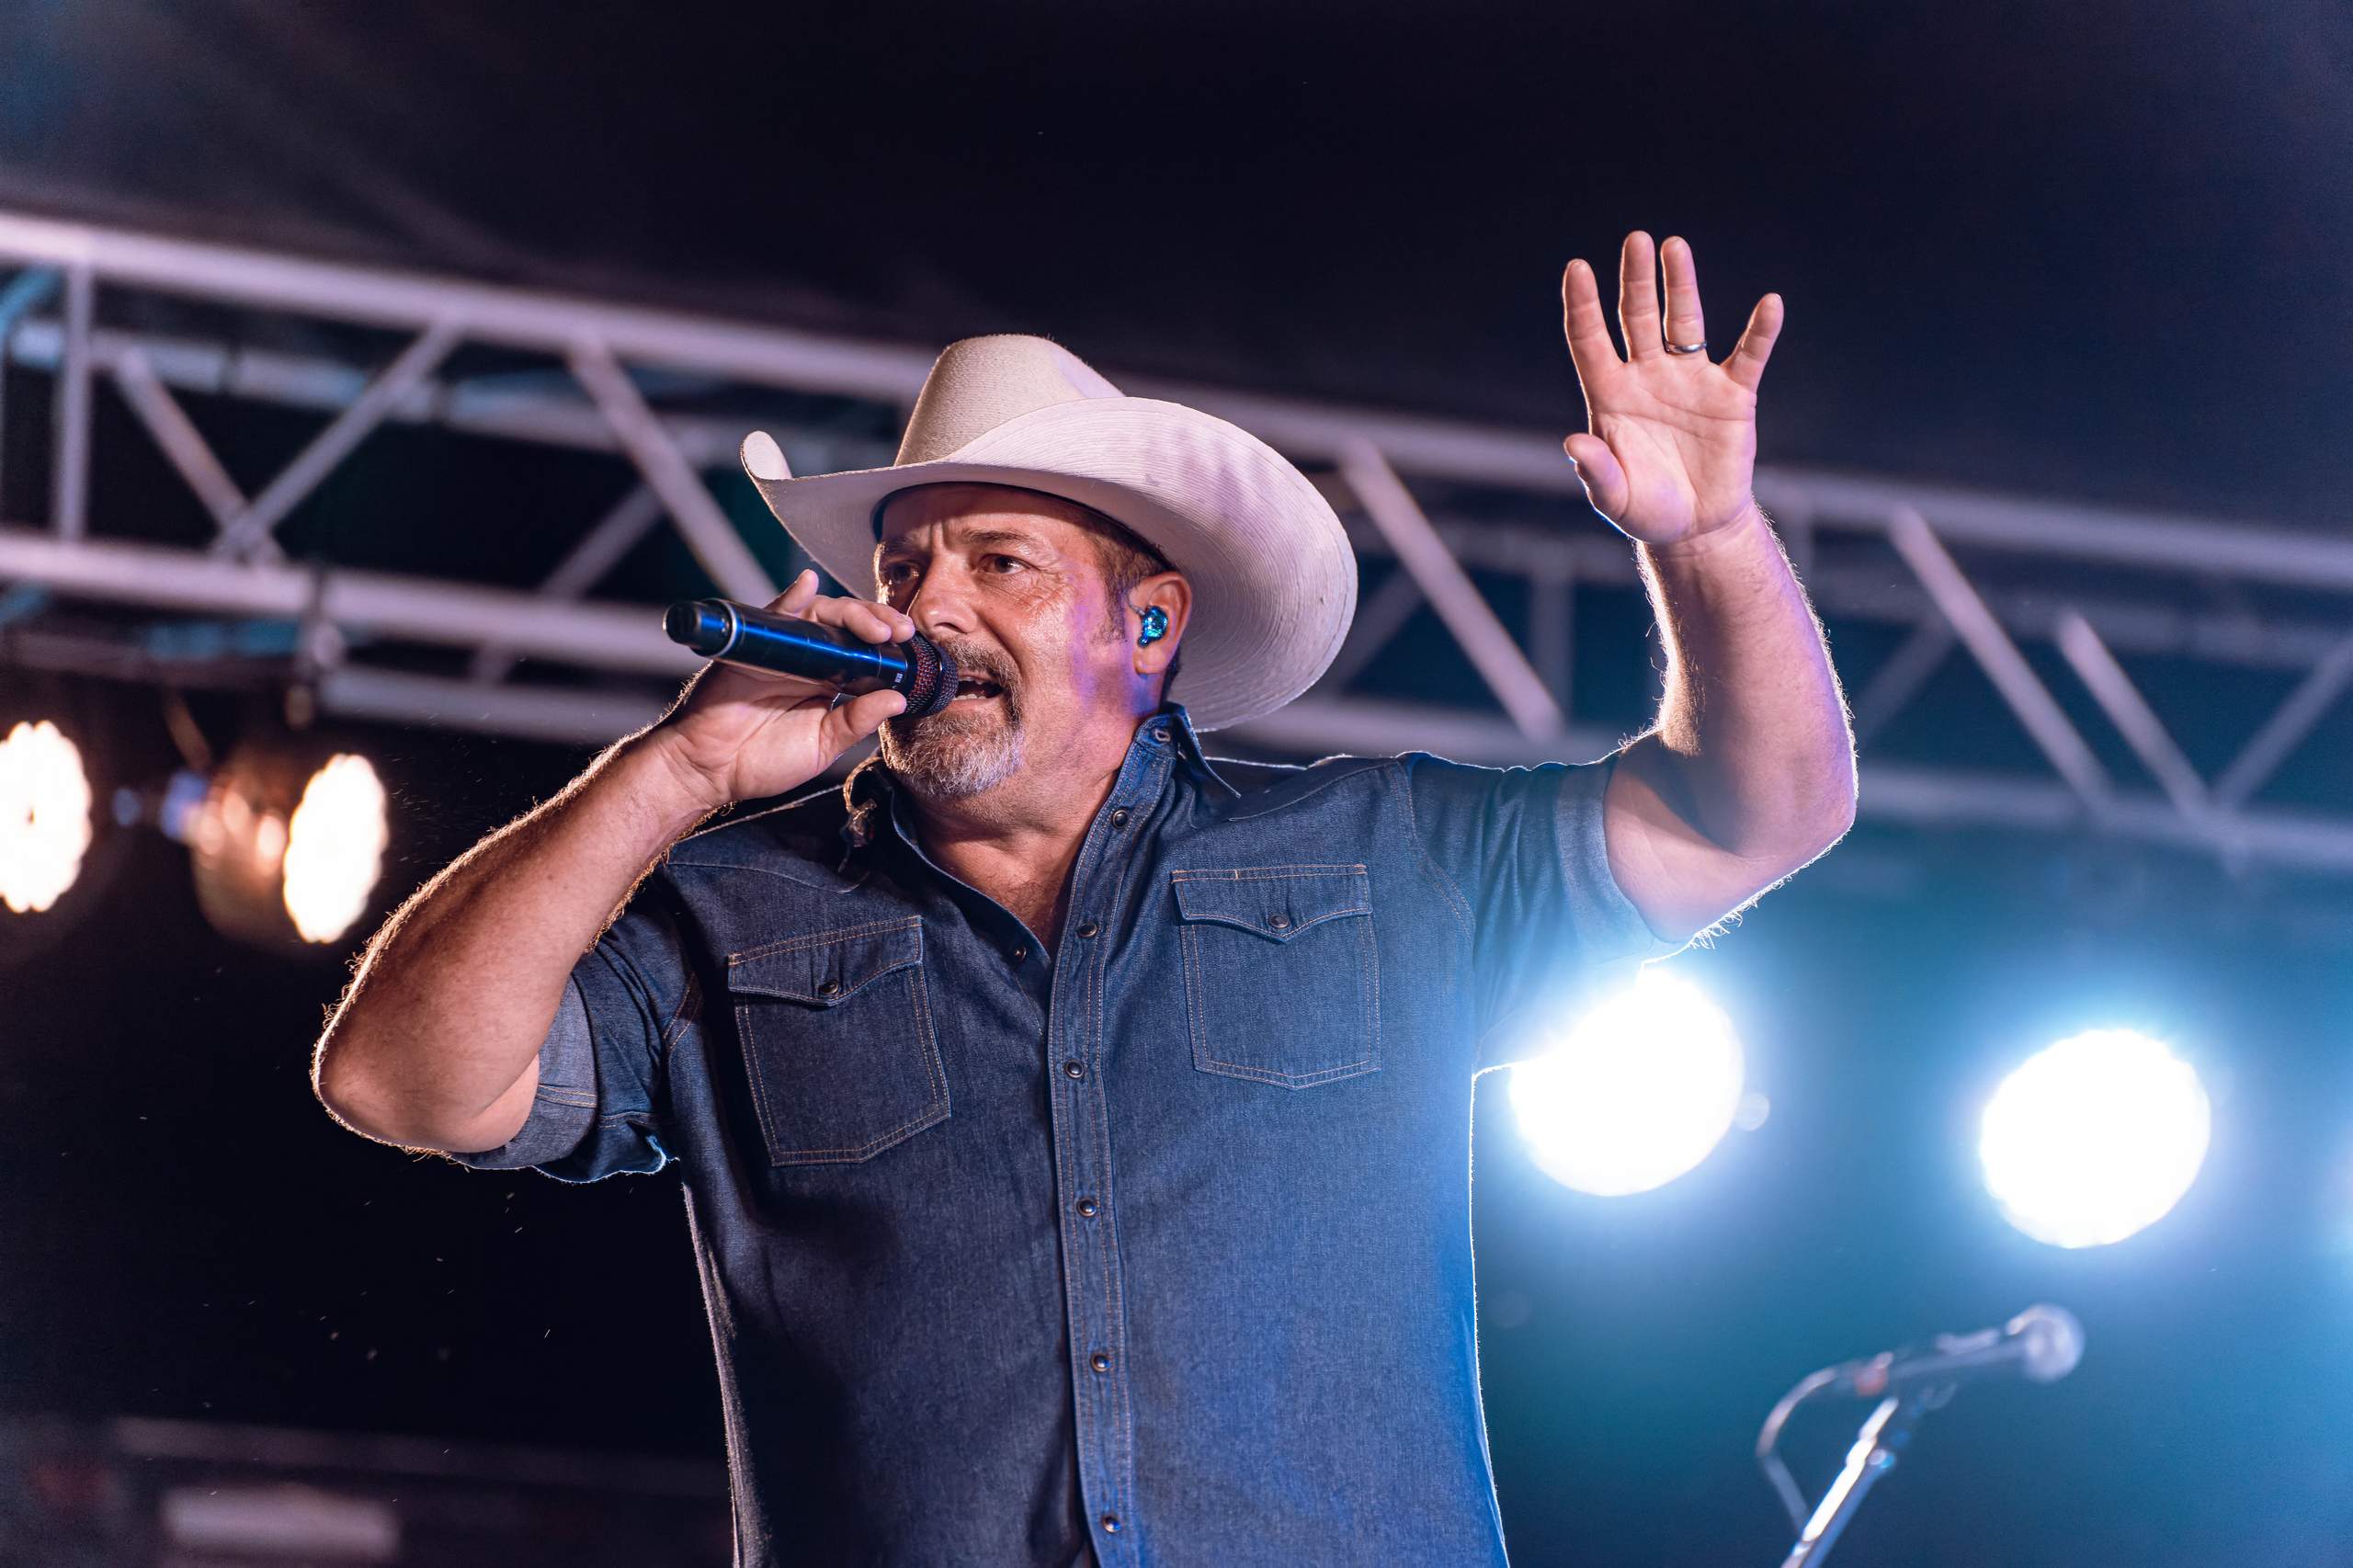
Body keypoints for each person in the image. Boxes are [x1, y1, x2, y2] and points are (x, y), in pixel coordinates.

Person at [313, 231, 1855, 1568]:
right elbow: (400, 1079)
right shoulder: (740, 917)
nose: (929, 607)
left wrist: (1709, 537)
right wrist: (674, 771)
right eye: (907, 566)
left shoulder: (1380, 859)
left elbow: (1762, 808)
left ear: (1152, 623)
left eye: (1002, 561)